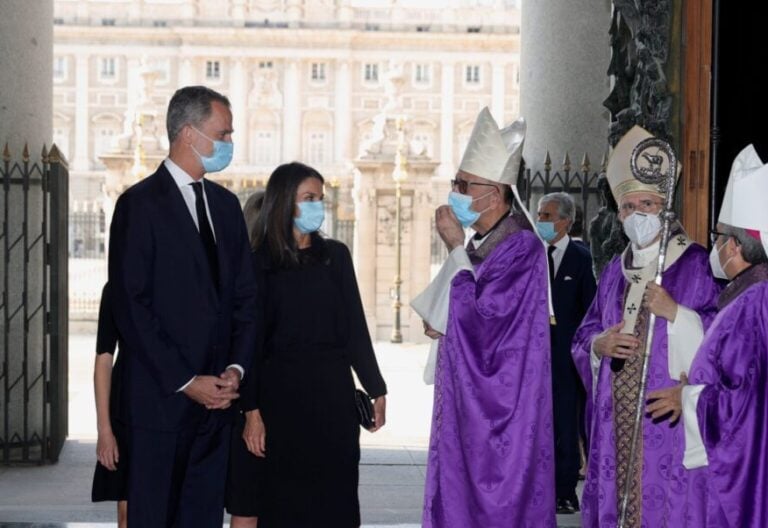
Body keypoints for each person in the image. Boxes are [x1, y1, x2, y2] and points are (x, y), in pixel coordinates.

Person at [108, 85, 259, 527]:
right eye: (223, 133)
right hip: (159, 405)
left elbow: (246, 299)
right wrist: (186, 380)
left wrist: (236, 370)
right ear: (190, 134)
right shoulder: (138, 205)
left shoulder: (227, 206)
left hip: (216, 408)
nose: (230, 143)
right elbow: (131, 306)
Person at [571, 125, 721, 527]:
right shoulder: (613, 274)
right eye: (628, 206)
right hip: (613, 418)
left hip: (665, 418)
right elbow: (583, 335)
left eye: (647, 205)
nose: (637, 214)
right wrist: (598, 345)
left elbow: (723, 340)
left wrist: (677, 314)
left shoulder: (695, 264)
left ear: (665, 208)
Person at [412, 107, 556, 527]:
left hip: (503, 407)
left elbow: (487, 321)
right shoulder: (485, 243)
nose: (455, 191)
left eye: (463, 184)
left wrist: (455, 245)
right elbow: (459, 308)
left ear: (494, 193)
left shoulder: (521, 248)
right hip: (468, 401)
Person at [227, 162, 387, 528]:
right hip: (279, 401)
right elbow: (248, 344)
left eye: (321, 198)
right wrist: (251, 411)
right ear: (285, 202)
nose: (318, 205)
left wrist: (376, 388)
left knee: (335, 501)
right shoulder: (257, 263)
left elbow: (354, 329)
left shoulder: (336, 256)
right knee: (283, 505)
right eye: (309, 198)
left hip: (333, 400)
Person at [646, 144, 768, 527]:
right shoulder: (747, 295)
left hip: (732, 470)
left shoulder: (751, 304)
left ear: (734, 246)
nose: (715, 247)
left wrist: (688, 397)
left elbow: (746, 399)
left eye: (719, 238)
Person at [536, 192, 596, 514]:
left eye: (547, 215)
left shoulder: (581, 258)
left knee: (565, 426)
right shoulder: (531, 255)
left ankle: (565, 490)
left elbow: (590, 310)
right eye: (540, 214)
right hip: (533, 359)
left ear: (565, 221)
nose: (540, 221)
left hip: (567, 360)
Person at [91, 282, 127, 528]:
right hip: (127, 408)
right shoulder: (116, 289)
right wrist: (104, 430)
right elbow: (104, 358)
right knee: (128, 511)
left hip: (181, 404)